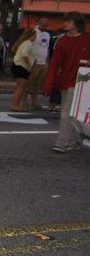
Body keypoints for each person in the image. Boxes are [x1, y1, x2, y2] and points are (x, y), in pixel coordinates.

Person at [44, 12, 90, 152]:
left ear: (77, 23)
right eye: (65, 21)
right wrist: (49, 83)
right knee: (68, 112)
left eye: (69, 21)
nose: (65, 23)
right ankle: (68, 141)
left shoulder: (87, 38)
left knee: (77, 113)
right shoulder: (62, 41)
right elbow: (55, 63)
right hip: (68, 81)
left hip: (85, 82)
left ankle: (66, 141)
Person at [10, 28, 37, 112]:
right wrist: (30, 66)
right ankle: (15, 105)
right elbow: (24, 55)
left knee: (20, 87)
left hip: (18, 66)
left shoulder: (25, 43)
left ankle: (16, 104)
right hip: (21, 67)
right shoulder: (27, 43)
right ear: (32, 35)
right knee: (21, 88)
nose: (36, 37)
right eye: (36, 35)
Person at [27, 17, 51, 110]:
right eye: (43, 25)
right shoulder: (33, 32)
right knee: (28, 84)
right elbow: (27, 45)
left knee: (37, 85)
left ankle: (34, 102)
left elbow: (47, 48)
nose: (45, 27)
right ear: (39, 23)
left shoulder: (47, 34)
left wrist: (47, 61)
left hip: (43, 63)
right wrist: (30, 62)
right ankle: (24, 102)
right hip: (33, 63)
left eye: (46, 25)